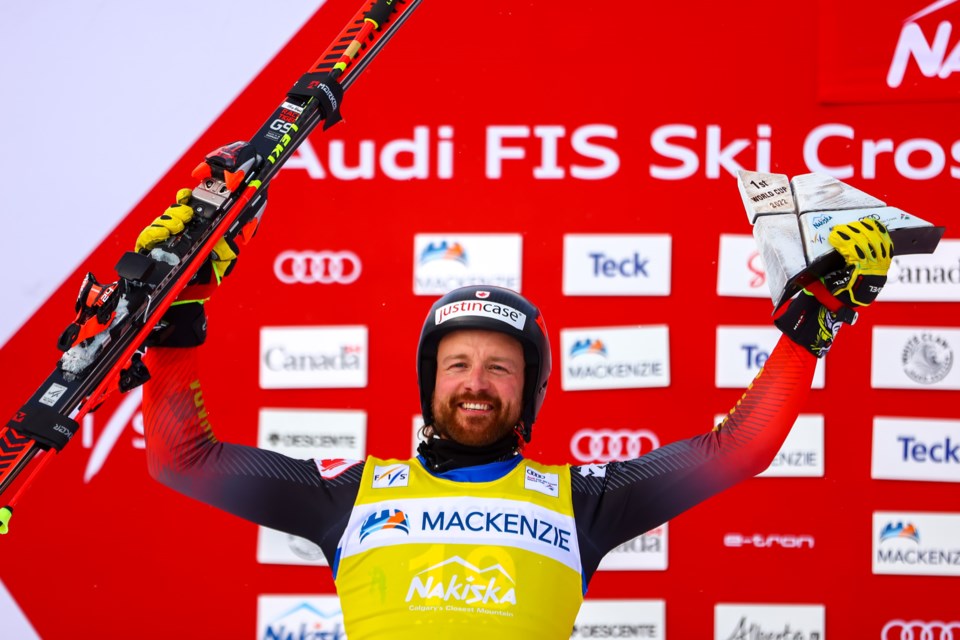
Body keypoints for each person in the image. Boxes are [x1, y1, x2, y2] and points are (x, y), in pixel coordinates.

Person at [138, 186, 893, 638]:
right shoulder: (352, 492)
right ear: (429, 381)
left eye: (499, 367)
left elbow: (740, 450)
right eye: (457, 364)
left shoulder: (583, 501)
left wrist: (810, 326)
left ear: (527, 392)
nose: (476, 382)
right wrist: (183, 314)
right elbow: (183, 459)